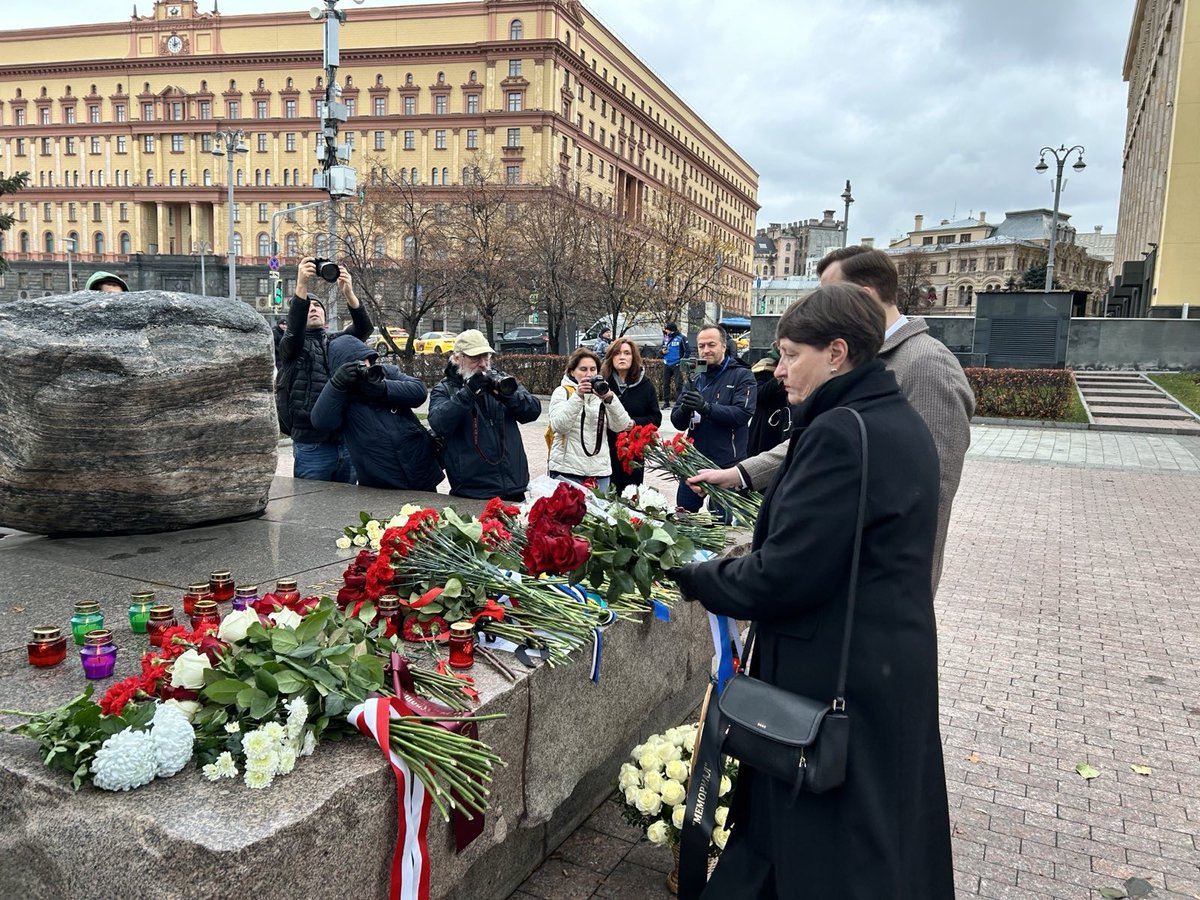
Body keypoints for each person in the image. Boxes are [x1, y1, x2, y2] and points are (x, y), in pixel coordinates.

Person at [674, 283, 954, 899]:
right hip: (879, 667)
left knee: (815, 842)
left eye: (790, 353)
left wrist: (697, 577)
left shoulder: (840, 433)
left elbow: (786, 574)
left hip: (834, 673)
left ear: (837, 353)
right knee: (877, 835)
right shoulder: (890, 419)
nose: (778, 369)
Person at [689, 245, 974, 593]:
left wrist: (906, 595)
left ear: (864, 297)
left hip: (877, 585)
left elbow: (932, 493)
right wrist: (741, 474)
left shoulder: (926, 363)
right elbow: (815, 442)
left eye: (828, 294)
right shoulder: (852, 358)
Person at [276, 257, 372, 483]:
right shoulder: (292, 346)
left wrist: (348, 292)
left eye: (317, 306)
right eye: (307, 306)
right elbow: (294, 332)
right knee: (310, 508)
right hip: (311, 444)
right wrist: (301, 286)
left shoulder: (336, 342)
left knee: (344, 508)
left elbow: (364, 329)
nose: (313, 309)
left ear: (326, 319)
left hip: (345, 440)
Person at [309, 334, 442, 491]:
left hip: (420, 470)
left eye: (366, 360)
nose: (364, 366)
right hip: (380, 482)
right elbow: (320, 421)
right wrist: (336, 385)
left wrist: (384, 389)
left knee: (429, 514)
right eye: (356, 365)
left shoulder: (385, 373)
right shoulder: (341, 393)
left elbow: (419, 391)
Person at [427, 329, 541, 502]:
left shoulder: (500, 381)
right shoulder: (445, 389)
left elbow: (532, 410)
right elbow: (438, 422)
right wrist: (468, 392)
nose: (482, 364)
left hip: (514, 486)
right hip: (473, 492)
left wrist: (506, 395)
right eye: (475, 358)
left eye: (486, 357)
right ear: (458, 358)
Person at [669, 324, 756, 515]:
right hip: (693, 462)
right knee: (684, 517)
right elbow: (677, 422)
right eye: (701, 346)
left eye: (711, 344)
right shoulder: (695, 376)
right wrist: (685, 408)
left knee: (723, 525)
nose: (706, 350)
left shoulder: (742, 374)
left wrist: (707, 408)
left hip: (727, 464)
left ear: (723, 346)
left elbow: (742, 414)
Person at [547, 347, 632, 494]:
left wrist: (610, 400)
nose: (588, 374)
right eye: (583, 369)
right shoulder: (563, 392)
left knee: (599, 515)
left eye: (593, 369)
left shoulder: (602, 392)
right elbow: (559, 426)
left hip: (599, 471)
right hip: (567, 470)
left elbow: (622, 425)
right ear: (572, 371)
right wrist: (578, 396)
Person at [601, 337, 662, 493]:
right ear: (611, 357)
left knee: (630, 497)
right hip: (605, 451)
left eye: (627, 353)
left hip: (632, 452)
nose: (622, 357)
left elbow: (656, 418)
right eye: (617, 353)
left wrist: (635, 423)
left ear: (633, 357)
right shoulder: (602, 384)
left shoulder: (645, 385)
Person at [745, 348, 790, 457]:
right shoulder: (764, 367)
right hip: (765, 425)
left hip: (787, 421)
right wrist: (779, 379)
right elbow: (759, 395)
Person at [659, 321, 688, 406]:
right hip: (666, 363)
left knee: (678, 384)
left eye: (667, 329)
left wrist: (681, 361)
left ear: (671, 330)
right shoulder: (665, 338)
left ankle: (679, 402)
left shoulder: (682, 338)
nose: (666, 331)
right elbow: (659, 351)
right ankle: (666, 402)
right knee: (665, 384)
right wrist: (662, 352)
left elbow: (687, 351)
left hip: (677, 364)